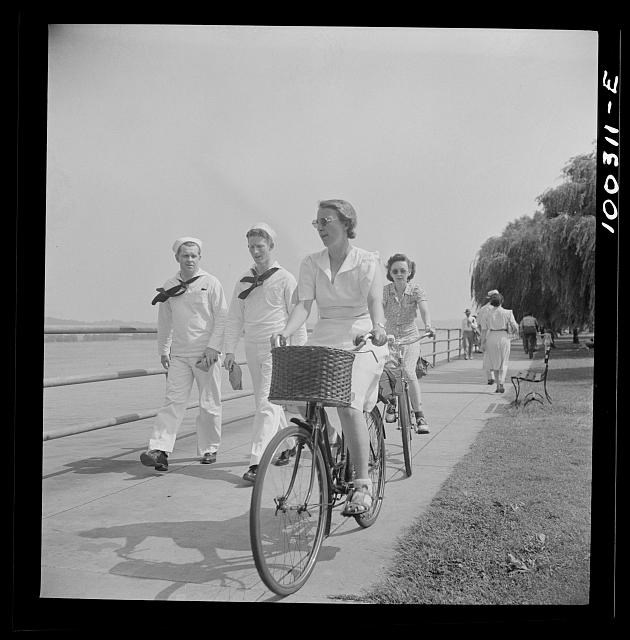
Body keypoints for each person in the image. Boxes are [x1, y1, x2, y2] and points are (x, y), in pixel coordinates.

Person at [273, 199, 388, 516]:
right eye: (317, 223)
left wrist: (378, 328)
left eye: (326, 221)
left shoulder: (367, 261)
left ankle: (362, 483)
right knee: (301, 395)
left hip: (362, 333)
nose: (320, 228)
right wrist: (286, 330)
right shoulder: (311, 263)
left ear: (346, 223)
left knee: (348, 404)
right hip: (325, 334)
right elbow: (303, 306)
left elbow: (375, 299)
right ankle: (332, 440)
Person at [223, 222, 307, 484]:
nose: (255, 251)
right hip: (252, 347)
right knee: (264, 402)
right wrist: (229, 351)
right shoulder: (243, 281)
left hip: (277, 349)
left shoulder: (285, 278)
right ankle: (287, 445)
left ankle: (256, 462)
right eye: (251, 247)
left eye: (260, 246)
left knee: (266, 404)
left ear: (271, 246)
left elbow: (297, 317)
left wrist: (298, 354)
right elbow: (235, 318)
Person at [141, 237, 228, 472]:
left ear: (200, 258)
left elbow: (222, 318)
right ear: (176, 257)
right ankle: (159, 450)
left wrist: (213, 347)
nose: (189, 259)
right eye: (185, 255)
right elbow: (165, 321)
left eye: (194, 255)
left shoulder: (211, 283)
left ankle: (209, 448)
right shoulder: (169, 285)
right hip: (179, 354)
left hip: (205, 354)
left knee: (209, 403)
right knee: (173, 402)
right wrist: (163, 350)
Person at [382, 253, 434, 433]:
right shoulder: (385, 291)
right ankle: (391, 403)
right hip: (390, 339)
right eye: (395, 271)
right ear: (390, 272)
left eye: (403, 270)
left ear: (409, 272)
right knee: (386, 372)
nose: (399, 274)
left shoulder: (416, 290)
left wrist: (428, 326)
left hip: (411, 337)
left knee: (409, 372)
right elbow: (375, 308)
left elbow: (424, 308)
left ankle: (419, 415)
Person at [479, 291, 519, 393]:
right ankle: (501, 382)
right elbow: (515, 326)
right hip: (503, 337)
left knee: (495, 363)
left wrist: (482, 343)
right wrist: (514, 331)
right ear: (501, 301)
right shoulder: (508, 312)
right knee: (504, 362)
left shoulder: (486, 313)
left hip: (491, 336)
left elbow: (483, 330)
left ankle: (497, 385)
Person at [476, 289, 500, 385]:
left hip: (487, 335)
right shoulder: (501, 309)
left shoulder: (483, 309)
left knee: (487, 358)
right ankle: (497, 380)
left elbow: (480, 325)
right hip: (499, 335)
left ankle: (491, 377)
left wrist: (481, 341)